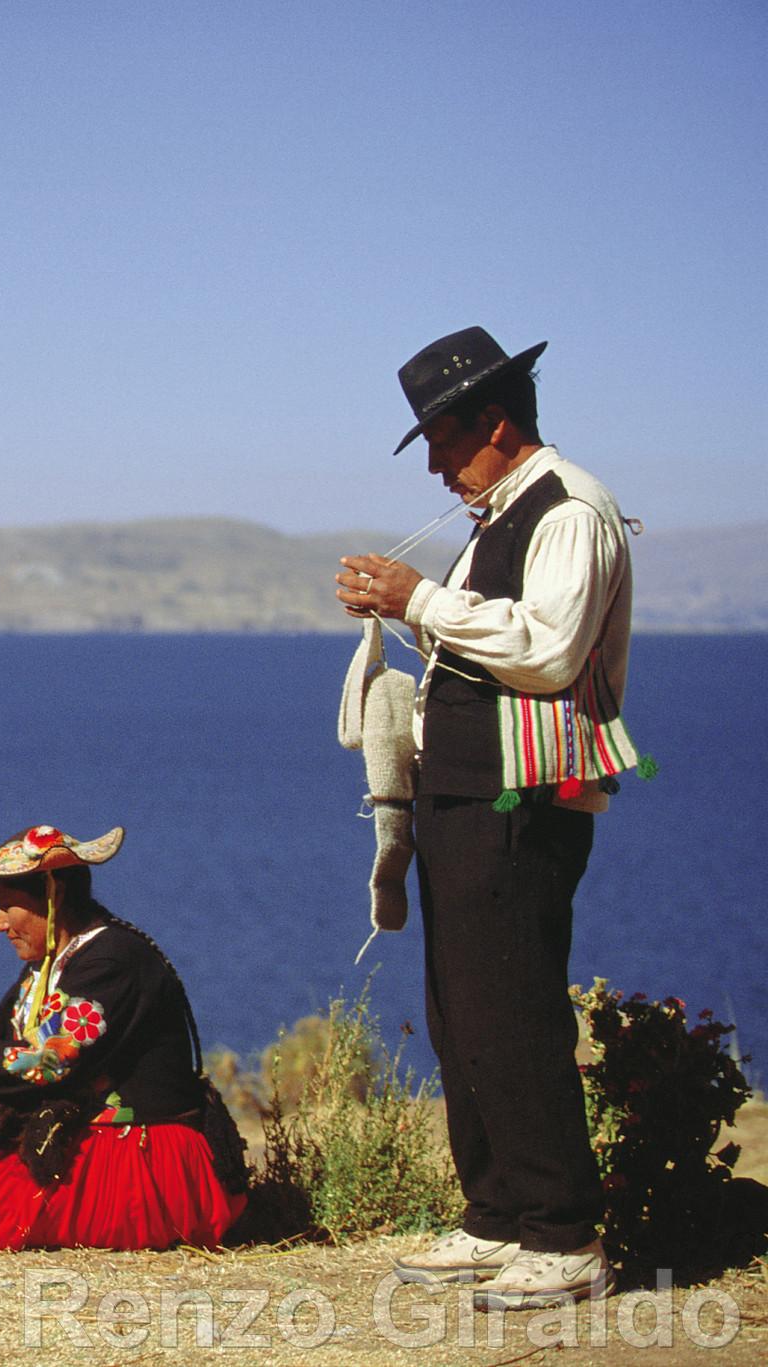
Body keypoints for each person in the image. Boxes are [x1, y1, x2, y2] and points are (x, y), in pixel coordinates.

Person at [334, 327, 643, 1308]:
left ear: (496, 422)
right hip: (466, 795)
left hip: (523, 799)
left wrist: (416, 596)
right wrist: (414, 608)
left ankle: (559, 1231)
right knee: (461, 1008)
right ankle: (495, 1215)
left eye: (441, 438)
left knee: (510, 1009)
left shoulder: (569, 509)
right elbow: (477, 643)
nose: (432, 462)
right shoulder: (500, 514)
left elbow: (548, 651)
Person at [0, 824, 246, 1251]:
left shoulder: (115, 961)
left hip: (147, 1160)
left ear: (53, 897)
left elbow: (49, 1059)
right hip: (81, 1137)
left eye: (7, 907)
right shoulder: (49, 967)